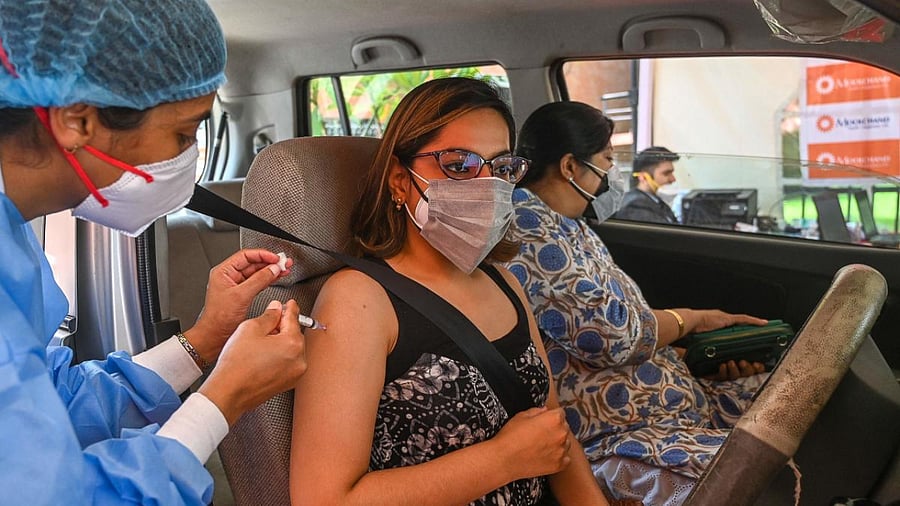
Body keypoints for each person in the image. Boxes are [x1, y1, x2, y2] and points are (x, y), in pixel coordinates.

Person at [0, 1, 307, 504]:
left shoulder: (13, 242)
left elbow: (55, 405)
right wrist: (224, 397)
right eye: (182, 133)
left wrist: (206, 339)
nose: (187, 158)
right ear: (77, 121)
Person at [289, 78, 610, 505]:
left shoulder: (505, 283)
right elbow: (324, 499)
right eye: (459, 165)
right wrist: (502, 460)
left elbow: (554, 436)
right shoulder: (359, 301)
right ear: (399, 181)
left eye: (502, 169)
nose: (487, 187)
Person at [506, 101, 768, 504]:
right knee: (763, 472)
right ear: (570, 166)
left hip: (672, 407)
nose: (612, 173)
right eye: (607, 159)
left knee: (791, 398)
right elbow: (611, 336)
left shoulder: (573, 227)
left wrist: (698, 358)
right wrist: (691, 320)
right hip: (622, 431)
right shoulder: (529, 231)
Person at [613, 146, 681, 224]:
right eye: (666, 173)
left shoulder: (656, 201)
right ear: (644, 178)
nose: (673, 179)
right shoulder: (636, 207)